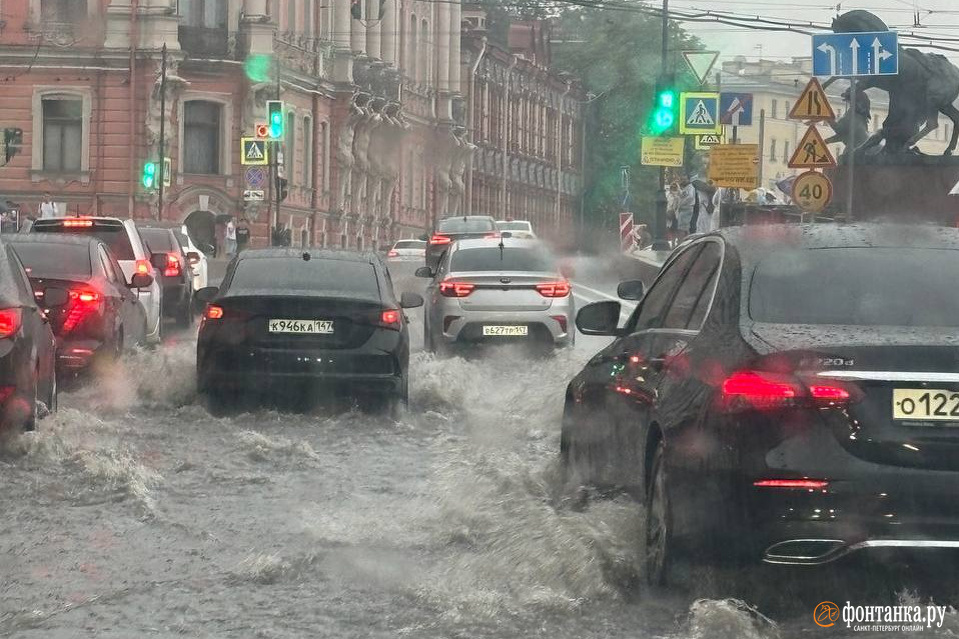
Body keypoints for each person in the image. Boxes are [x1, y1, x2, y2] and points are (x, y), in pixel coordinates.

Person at [675, 176, 696, 240]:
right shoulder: (685, 188)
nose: (683, 181)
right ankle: (685, 240)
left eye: (684, 179)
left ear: (688, 180)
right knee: (684, 227)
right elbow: (682, 195)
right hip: (683, 209)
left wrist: (682, 203)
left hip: (687, 208)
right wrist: (678, 187)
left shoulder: (690, 187)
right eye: (682, 179)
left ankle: (682, 241)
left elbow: (690, 197)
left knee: (682, 228)